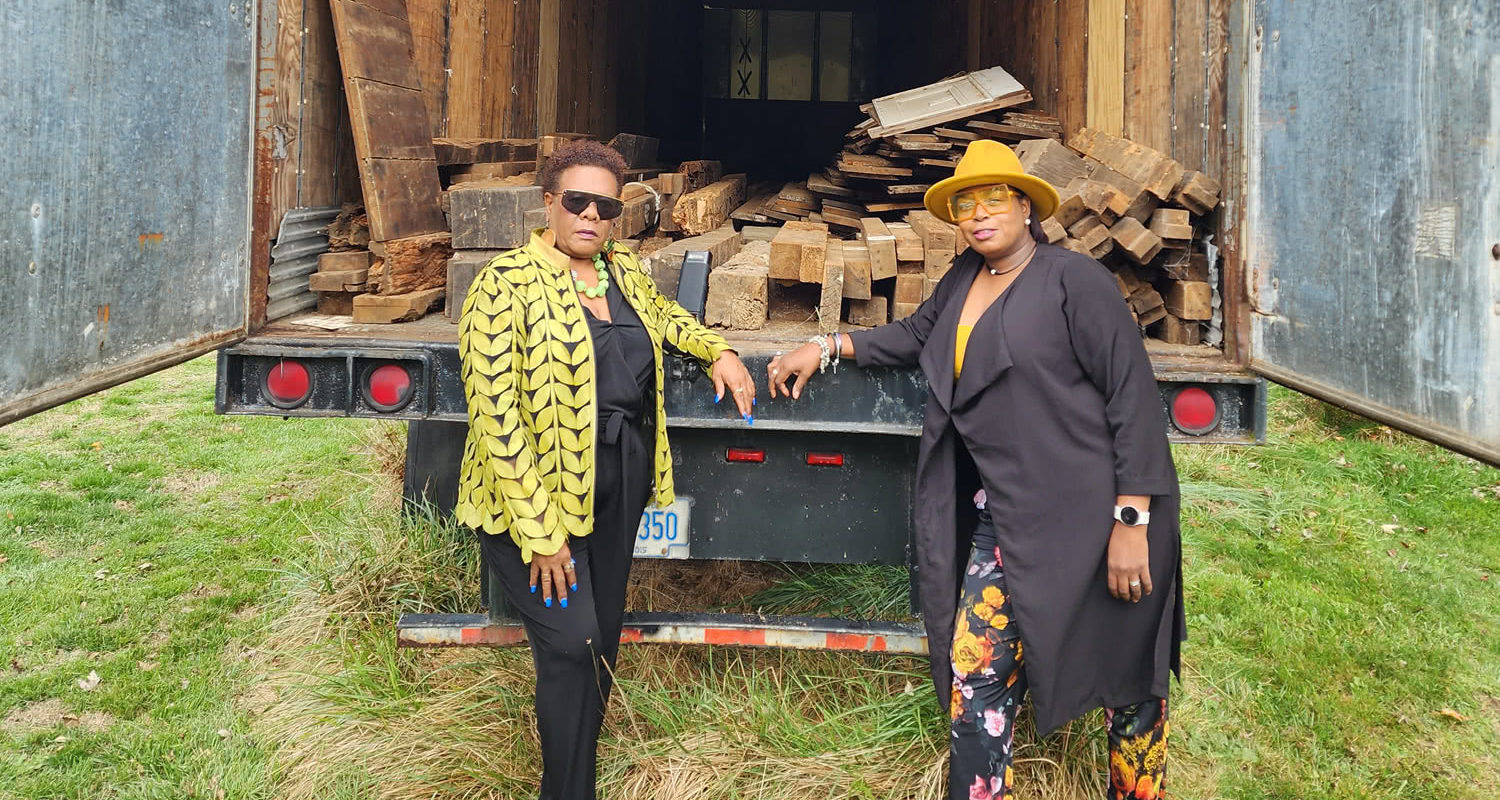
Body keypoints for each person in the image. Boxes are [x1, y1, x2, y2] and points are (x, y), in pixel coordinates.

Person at [768, 140, 1183, 800]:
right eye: (967, 203)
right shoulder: (965, 277)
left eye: (995, 198)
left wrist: (1132, 521)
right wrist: (826, 345)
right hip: (1008, 520)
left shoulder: (1074, 281)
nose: (980, 214)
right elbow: (912, 337)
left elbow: (1131, 401)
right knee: (976, 676)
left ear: (1025, 206)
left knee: (1128, 686)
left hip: (1098, 515)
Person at [456, 139, 757, 800]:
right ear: (548, 204)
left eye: (606, 206)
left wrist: (719, 352)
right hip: (533, 501)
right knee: (571, 642)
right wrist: (541, 531)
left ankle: (576, 784)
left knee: (599, 646)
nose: (592, 216)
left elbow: (667, 318)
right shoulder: (505, 283)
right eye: (577, 202)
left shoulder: (621, 270)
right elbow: (495, 415)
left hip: (617, 480)